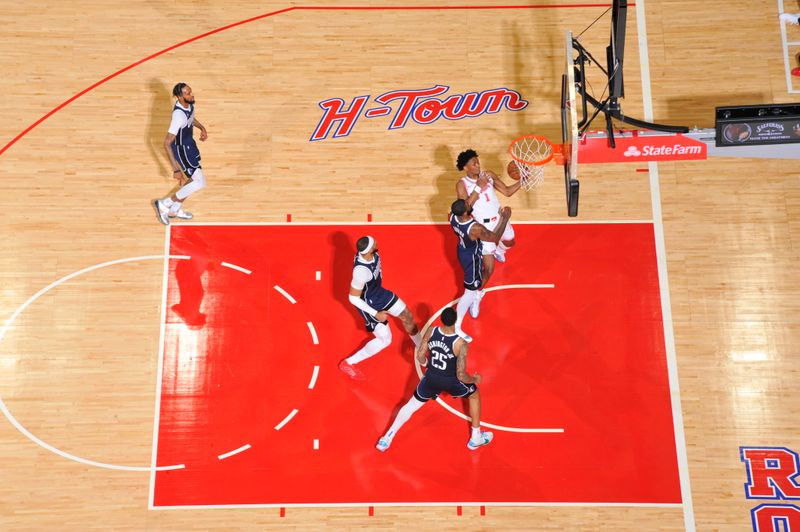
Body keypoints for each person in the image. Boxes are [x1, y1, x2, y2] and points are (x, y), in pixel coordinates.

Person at [375, 307, 493, 452]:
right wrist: (474, 379)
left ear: (441, 320)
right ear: (455, 321)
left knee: (410, 406)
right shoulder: (460, 344)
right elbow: (461, 375)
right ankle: (475, 438)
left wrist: (427, 364)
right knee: (474, 395)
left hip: (431, 378)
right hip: (451, 381)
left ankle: (387, 438)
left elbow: (419, 356)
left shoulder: (432, 331)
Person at [339, 235, 422, 381]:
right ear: (370, 249)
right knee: (386, 340)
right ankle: (349, 363)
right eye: (374, 242)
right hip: (369, 304)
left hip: (379, 293)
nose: (377, 241)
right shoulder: (360, 272)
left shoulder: (372, 254)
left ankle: (421, 348)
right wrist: (375, 313)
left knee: (407, 315)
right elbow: (352, 297)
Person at [455, 149, 521, 316]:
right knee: (489, 269)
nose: (478, 165)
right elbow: (465, 209)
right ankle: (478, 295)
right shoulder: (462, 184)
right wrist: (478, 187)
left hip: (499, 218)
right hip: (483, 229)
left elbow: (506, 191)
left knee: (510, 242)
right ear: (465, 168)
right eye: (473, 163)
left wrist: (524, 180)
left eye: (478, 161)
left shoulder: (489, 175)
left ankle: (499, 249)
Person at [450, 199, 511, 340]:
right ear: (465, 212)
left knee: (485, 273)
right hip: (472, 258)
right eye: (467, 205)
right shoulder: (475, 228)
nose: (469, 204)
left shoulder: (453, 217)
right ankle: (457, 325)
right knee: (470, 292)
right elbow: (495, 237)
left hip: (462, 250)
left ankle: (475, 293)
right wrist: (505, 219)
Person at [152, 83, 209, 225]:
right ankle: (165, 204)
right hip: (183, 151)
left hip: (191, 146)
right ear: (180, 96)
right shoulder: (178, 116)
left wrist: (202, 127)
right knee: (199, 182)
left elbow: (191, 118)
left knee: (195, 180)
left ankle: (174, 210)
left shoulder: (188, 104)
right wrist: (176, 168)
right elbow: (167, 142)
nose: (192, 95)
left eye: (191, 91)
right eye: (188, 93)